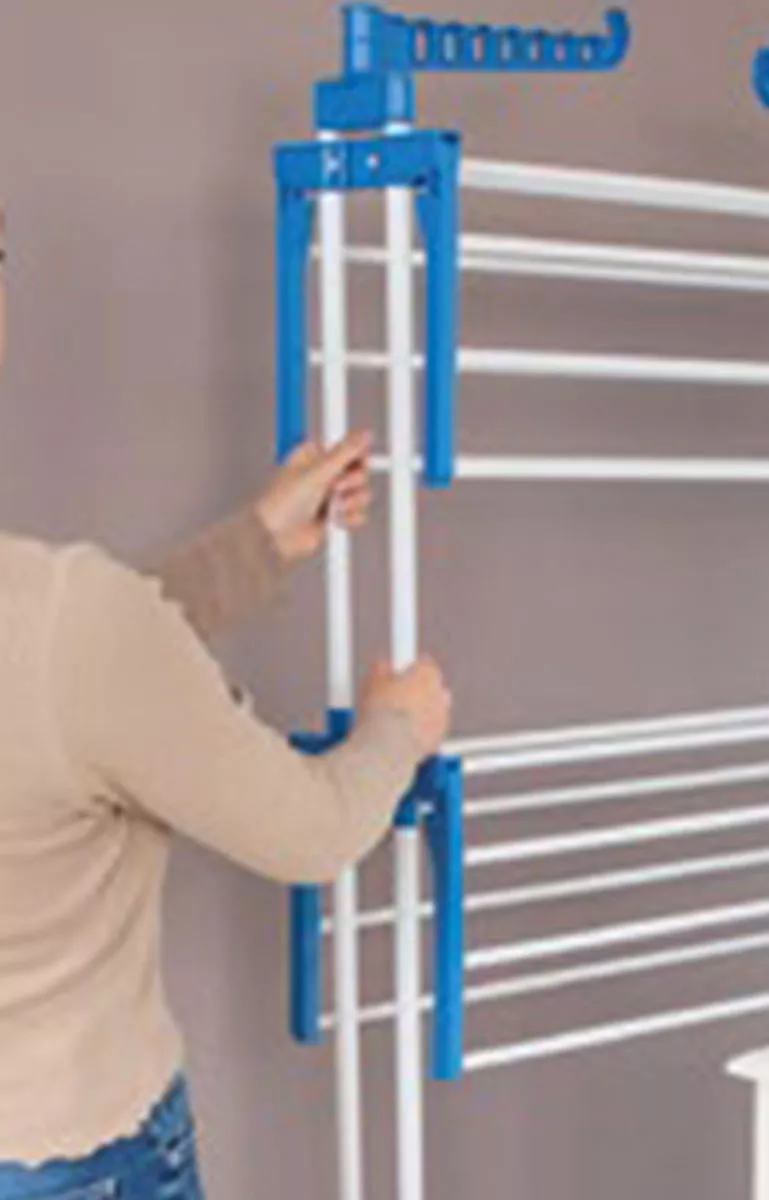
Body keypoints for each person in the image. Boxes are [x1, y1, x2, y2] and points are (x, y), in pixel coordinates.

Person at [0, 214, 452, 1198]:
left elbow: (69, 687)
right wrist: (398, 727)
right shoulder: (64, 622)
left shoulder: (62, 629)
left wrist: (255, 545)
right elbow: (313, 831)